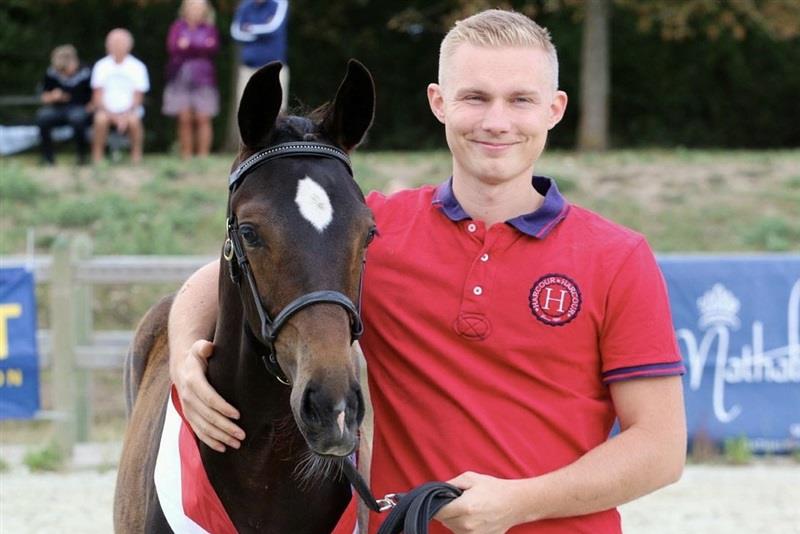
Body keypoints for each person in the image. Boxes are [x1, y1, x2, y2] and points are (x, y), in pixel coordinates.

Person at [168, 9, 687, 534]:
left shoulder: (618, 257)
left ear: (555, 109)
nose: (496, 121)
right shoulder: (374, 230)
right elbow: (225, 272)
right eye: (475, 97)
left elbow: (660, 449)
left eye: (520, 100)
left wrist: (521, 503)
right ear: (439, 103)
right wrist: (184, 360)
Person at [163, 0, 220, 159]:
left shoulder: (210, 29)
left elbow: (213, 48)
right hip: (179, 77)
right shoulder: (177, 27)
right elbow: (173, 47)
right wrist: (200, 46)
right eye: (193, 8)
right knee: (184, 118)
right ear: (185, 10)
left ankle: (203, 155)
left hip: (204, 78)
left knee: (203, 117)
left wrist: (188, 45)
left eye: (199, 8)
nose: (196, 11)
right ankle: (186, 154)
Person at [90, 28, 150, 164]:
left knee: (134, 121)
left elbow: (138, 97)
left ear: (129, 45)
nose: (117, 46)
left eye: (120, 42)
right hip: (106, 110)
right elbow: (97, 96)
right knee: (100, 120)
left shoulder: (138, 67)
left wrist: (124, 115)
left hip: (130, 110)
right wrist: (112, 115)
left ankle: (136, 155)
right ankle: (97, 156)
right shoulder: (101, 66)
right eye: (114, 43)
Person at [35, 45, 93, 165]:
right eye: (60, 70)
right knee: (42, 117)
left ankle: (82, 157)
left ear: (74, 61)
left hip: (80, 108)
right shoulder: (52, 72)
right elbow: (44, 97)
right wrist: (53, 96)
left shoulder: (87, 72)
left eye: (65, 69)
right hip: (58, 109)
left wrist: (90, 108)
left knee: (77, 118)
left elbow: (95, 95)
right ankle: (48, 158)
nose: (63, 73)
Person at [230, 0, 289, 111]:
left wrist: (250, 28)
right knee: (246, 110)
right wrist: (262, 30)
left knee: (276, 111)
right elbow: (236, 33)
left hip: (274, 69)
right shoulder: (245, 6)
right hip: (248, 69)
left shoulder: (280, 3)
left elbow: (273, 29)